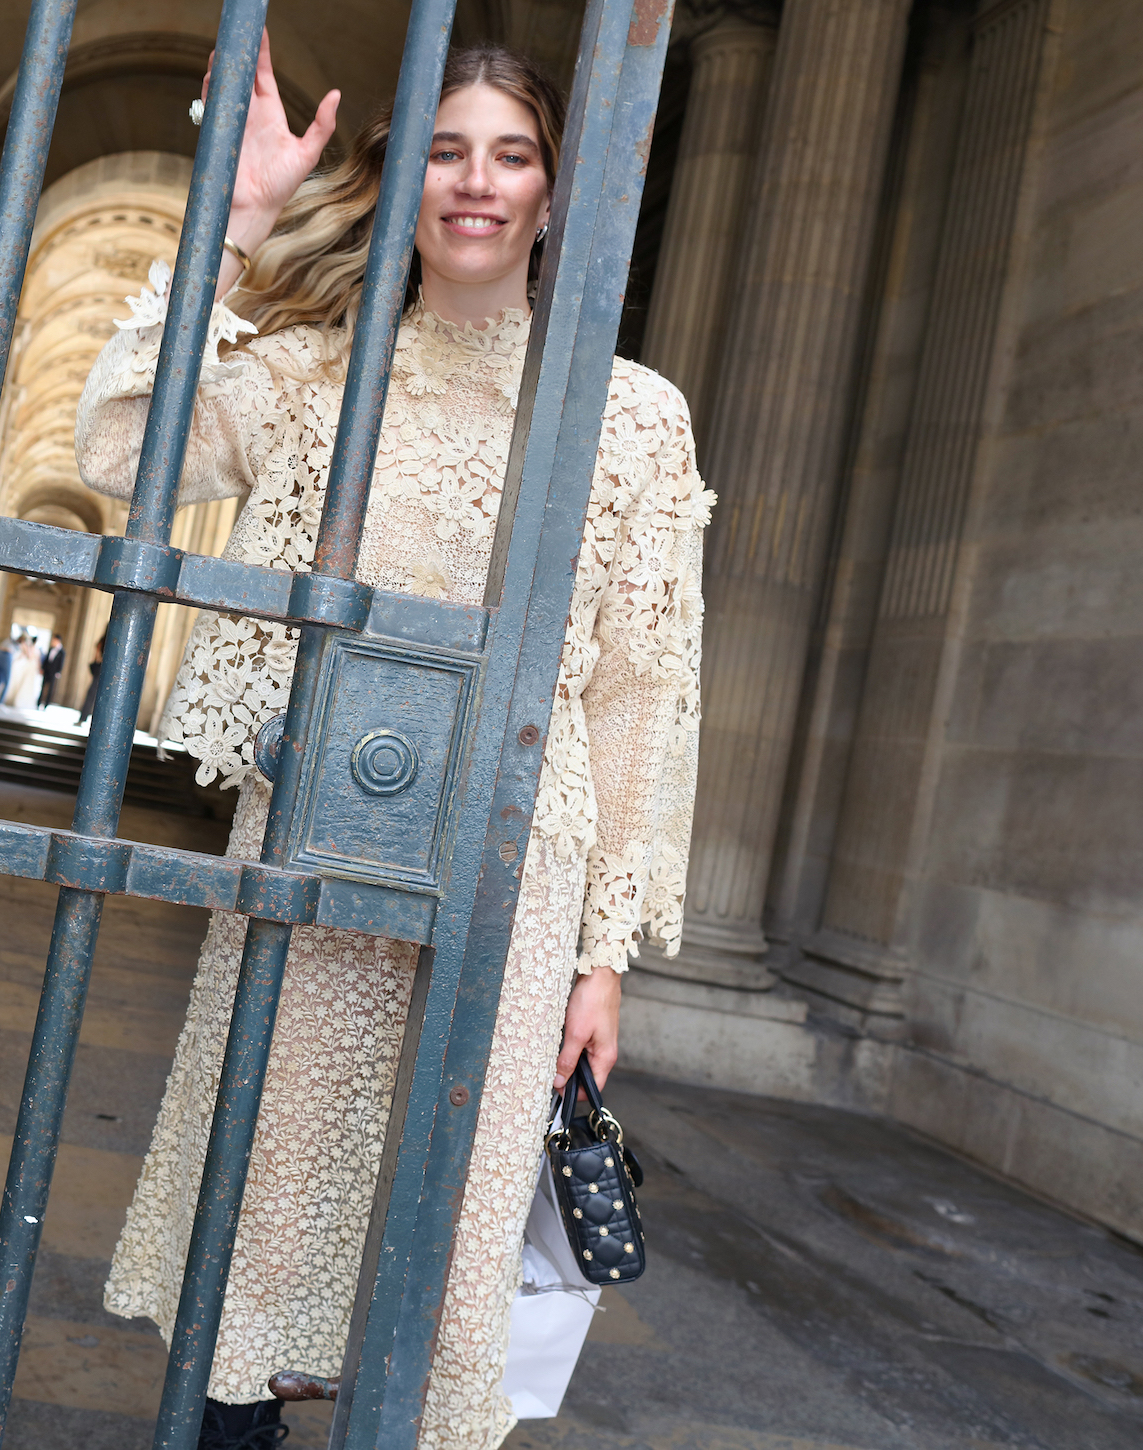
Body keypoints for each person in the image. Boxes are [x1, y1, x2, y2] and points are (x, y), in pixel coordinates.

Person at [75, 37, 710, 1450]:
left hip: (509, 882)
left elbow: (635, 694)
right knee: (263, 1224)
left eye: (511, 152)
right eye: (446, 148)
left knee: (438, 1255)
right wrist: (232, 224)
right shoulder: (321, 376)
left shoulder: (630, 419)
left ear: (557, 188)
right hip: (315, 850)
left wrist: (604, 957)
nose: (476, 182)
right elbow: (124, 449)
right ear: (401, 176)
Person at [76, 631, 106, 724]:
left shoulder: (102, 641)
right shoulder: (111, 641)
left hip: (100, 670)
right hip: (106, 671)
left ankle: (83, 718)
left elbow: (97, 657)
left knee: (91, 694)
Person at [38, 637, 66, 707]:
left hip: (53, 673)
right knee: (42, 687)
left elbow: (61, 663)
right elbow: (47, 659)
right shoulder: (51, 648)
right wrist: (42, 668)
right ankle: (38, 702)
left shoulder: (62, 652)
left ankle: (46, 704)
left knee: (50, 689)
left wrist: (58, 672)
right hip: (46, 671)